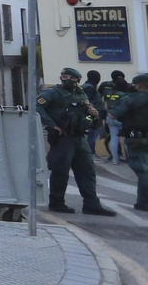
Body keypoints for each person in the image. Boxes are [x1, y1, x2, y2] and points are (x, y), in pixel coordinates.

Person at [36, 67, 116, 216]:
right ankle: (57, 202)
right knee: (60, 171)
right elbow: (37, 107)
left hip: (80, 137)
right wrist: (52, 125)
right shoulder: (52, 93)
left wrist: (94, 114)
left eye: (71, 78)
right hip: (63, 138)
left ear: (77, 80)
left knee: (87, 171)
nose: (67, 79)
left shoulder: (80, 93)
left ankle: (91, 204)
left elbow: (87, 111)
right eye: (64, 77)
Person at [107, 73, 148, 211]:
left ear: (138, 85)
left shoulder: (130, 99)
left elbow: (113, 114)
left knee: (143, 171)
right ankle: (143, 202)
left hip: (136, 138)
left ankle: (144, 202)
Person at [98, 69, 132, 164]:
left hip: (110, 117)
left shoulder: (108, 93)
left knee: (113, 139)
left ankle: (115, 160)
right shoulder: (125, 95)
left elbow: (104, 104)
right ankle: (128, 158)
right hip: (123, 118)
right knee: (126, 139)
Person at [84, 70, 107, 158]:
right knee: (92, 135)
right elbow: (88, 102)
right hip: (93, 116)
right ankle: (91, 154)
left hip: (93, 115)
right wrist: (95, 115)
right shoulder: (89, 88)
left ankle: (90, 153)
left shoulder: (87, 86)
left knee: (93, 134)